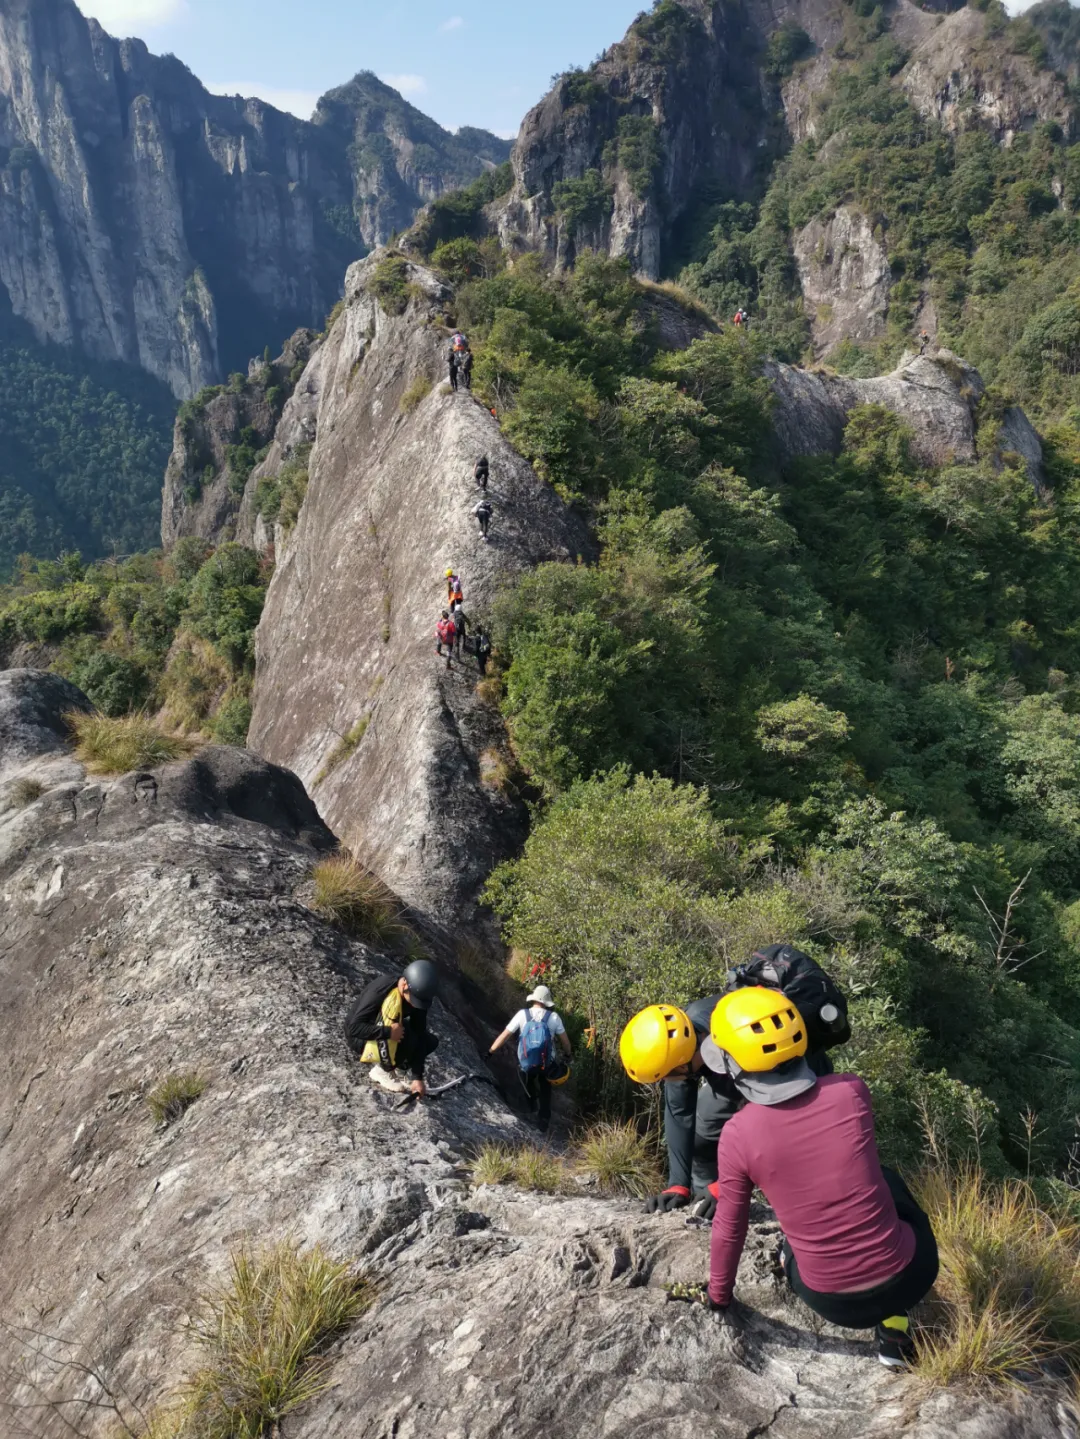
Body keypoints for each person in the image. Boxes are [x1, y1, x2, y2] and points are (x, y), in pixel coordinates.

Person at [701, 987, 938, 1369]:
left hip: (830, 1301)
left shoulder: (738, 1135)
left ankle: (785, 1255)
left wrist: (718, 1297)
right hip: (912, 1276)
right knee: (888, 1179)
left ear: (732, 1064)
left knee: (790, 1243)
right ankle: (894, 1332)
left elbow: (731, 1227)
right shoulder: (851, 1090)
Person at [619, 944, 849, 1217]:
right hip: (732, 1078)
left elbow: (770, 1128)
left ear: (685, 1058)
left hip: (790, 1081)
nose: (669, 1080)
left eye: (671, 1074)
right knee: (703, 1130)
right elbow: (679, 1113)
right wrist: (677, 1185)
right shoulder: (680, 1044)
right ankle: (700, 1195)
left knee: (804, 1160)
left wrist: (728, 1186)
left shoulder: (741, 1038)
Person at [344, 959, 441, 1096]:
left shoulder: (418, 997)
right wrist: (388, 1032)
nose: (415, 1005)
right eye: (413, 999)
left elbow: (419, 1032)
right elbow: (354, 1028)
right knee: (405, 1034)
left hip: (386, 1032)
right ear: (405, 984)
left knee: (430, 1041)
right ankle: (382, 1071)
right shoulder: (381, 990)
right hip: (361, 1037)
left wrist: (416, 1077)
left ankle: (400, 1070)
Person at [490, 983, 572, 1135]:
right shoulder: (554, 1017)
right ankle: (543, 1121)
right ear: (547, 1002)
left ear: (533, 999)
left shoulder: (522, 1014)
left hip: (526, 1060)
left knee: (526, 1077)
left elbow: (504, 1035)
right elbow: (565, 1042)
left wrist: (491, 1051)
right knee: (546, 1089)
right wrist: (568, 1055)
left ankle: (530, 1102)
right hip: (547, 1061)